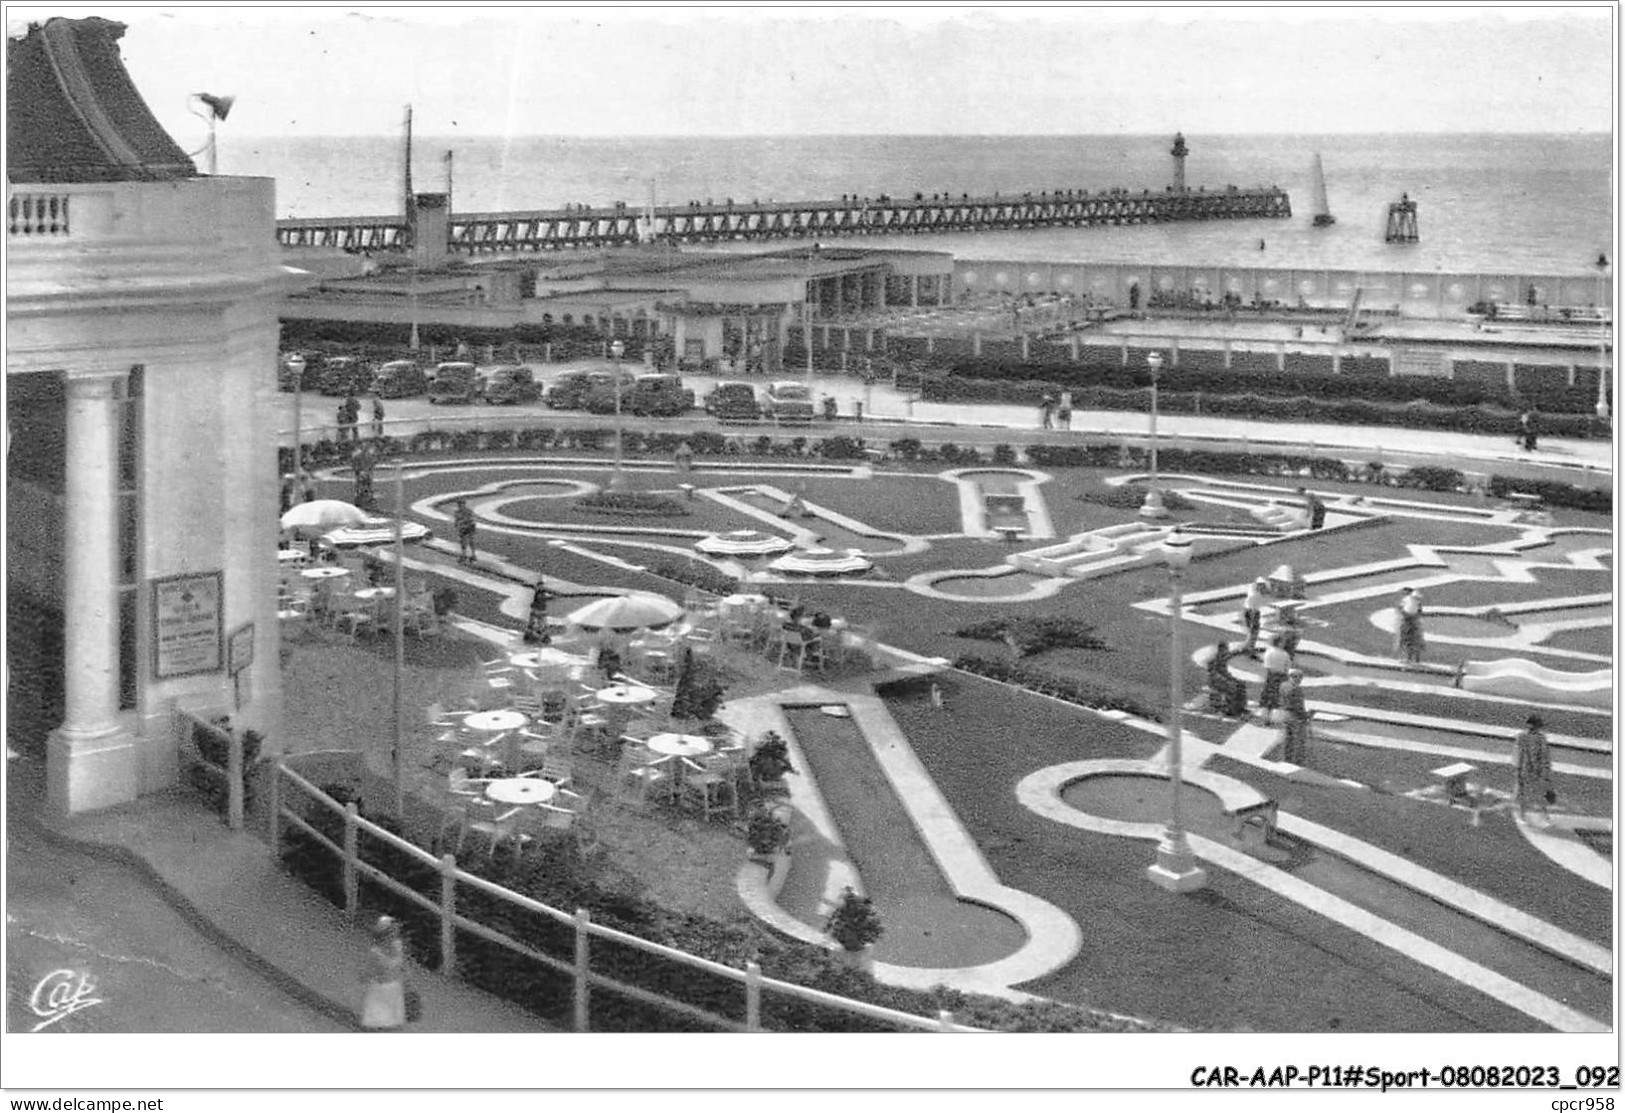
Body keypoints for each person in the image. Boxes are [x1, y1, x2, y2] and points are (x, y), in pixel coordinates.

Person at [360, 915, 408, 1031]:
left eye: (395, 932)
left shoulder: (398, 946)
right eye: (391, 932)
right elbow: (368, 971)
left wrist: (406, 978)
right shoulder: (375, 952)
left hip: (395, 990)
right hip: (379, 991)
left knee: (393, 1026)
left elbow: (403, 965)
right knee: (377, 1025)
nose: (394, 935)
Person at [1513, 713, 1554, 824]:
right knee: (1524, 794)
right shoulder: (1522, 736)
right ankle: (1523, 816)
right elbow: (1519, 753)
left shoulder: (1540, 738)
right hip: (1526, 769)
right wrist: (1518, 769)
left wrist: (1545, 771)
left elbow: (1544, 755)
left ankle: (1544, 817)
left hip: (1536, 770)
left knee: (1539, 793)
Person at [1205, 641, 1248, 718]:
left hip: (1226, 679)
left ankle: (1240, 707)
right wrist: (1226, 680)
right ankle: (1231, 710)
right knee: (1232, 688)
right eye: (1223, 651)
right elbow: (1213, 674)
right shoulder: (1213, 661)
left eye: (1226, 650)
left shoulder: (1227, 657)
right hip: (1218, 681)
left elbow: (1234, 654)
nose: (1225, 653)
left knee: (1241, 684)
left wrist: (1242, 651)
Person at [1279, 668, 1311, 764]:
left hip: (1285, 714)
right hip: (1295, 717)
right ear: (1295, 677)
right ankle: (1298, 761)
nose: (1300, 680)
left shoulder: (1283, 685)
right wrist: (1306, 716)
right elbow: (1299, 706)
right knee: (1298, 740)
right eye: (1299, 678)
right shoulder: (1296, 689)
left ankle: (1286, 759)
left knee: (1287, 739)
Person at [1258, 635, 1291, 715]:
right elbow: (1287, 668)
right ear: (1279, 643)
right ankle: (1274, 713)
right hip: (1280, 676)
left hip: (1269, 675)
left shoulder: (1268, 652)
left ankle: (1263, 712)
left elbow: (1265, 666)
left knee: (1266, 695)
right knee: (1276, 696)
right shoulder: (1285, 654)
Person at [1395, 587, 1425, 665]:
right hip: (1412, 622)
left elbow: (1408, 612)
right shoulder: (1413, 601)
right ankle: (1414, 659)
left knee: (1409, 640)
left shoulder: (1411, 601)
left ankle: (1410, 658)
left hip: (1409, 623)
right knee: (1413, 640)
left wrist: (1402, 611)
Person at [1241, 578, 1268, 653]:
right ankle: (1250, 649)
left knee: (1251, 633)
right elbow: (1253, 610)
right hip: (1252, 612)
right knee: (1254, 632)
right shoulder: (1255, 595)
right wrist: (1254, 620)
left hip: (1248, 611)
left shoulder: (1252, 589)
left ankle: (1247, 647)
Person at [523, 580, 552, 645]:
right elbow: (543, 625)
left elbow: (532, 627)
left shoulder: (535, 632)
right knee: (539, 605)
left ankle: (539, 590)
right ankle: (539, 590)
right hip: (539, 615)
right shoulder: (540, 632)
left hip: (537, 615)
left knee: (538, 605)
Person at [454, 499, 477, 565]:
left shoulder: (468, 511)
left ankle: (473, 555)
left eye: (462, 504)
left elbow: (471, 520)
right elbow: (456, 521)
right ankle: (464, 555)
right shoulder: (457, 512)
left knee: (471, 541)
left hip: (469, 527)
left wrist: (463, 523)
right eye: (459, 505)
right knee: (463, 542)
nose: (460, 506)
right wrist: (457, 527)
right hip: (462, 528)